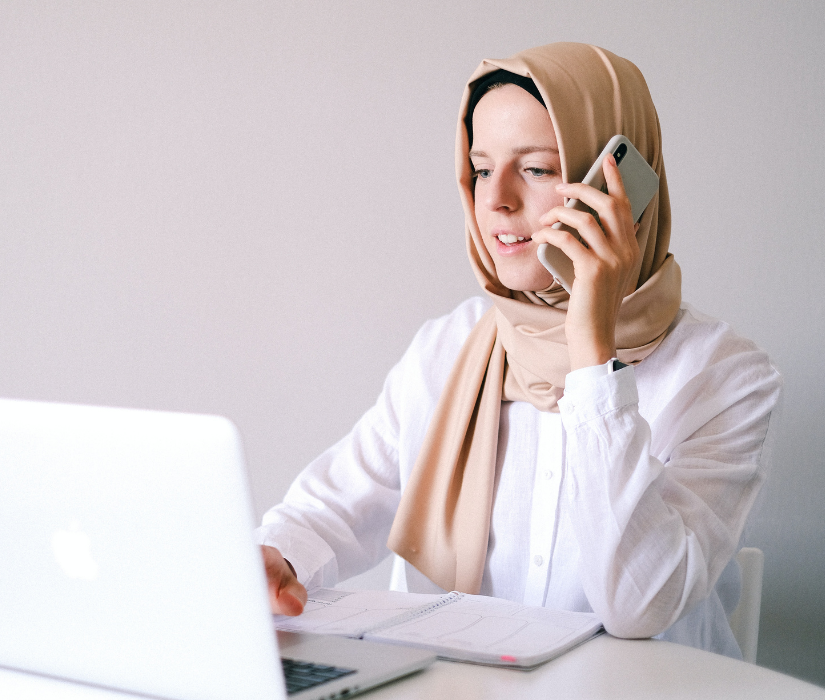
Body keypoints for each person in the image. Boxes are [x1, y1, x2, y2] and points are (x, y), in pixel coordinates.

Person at [255, 42, 781, 658]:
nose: (496, 199)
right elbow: (335, 505)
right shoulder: (447, 347)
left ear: (621, 184)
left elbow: (642, 603)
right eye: (481, 168)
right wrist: (273, 557)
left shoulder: (727, 376)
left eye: (535, 168)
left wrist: (593, 352)